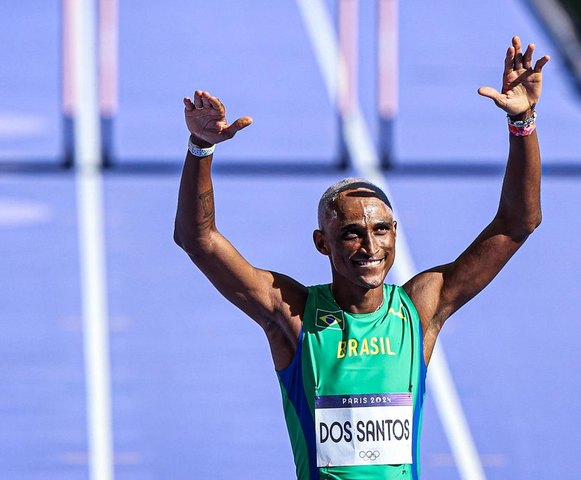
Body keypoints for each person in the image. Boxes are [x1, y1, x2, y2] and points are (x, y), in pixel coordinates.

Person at [174, 35, 549, 480]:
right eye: (351, 234)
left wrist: (523, 121)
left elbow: (516, 224)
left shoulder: (420, 309)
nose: (371, 248)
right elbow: (198, 240)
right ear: (322, 243)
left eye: (381, 230)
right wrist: (201, 147)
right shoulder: (292, 314)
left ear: (395, 234)